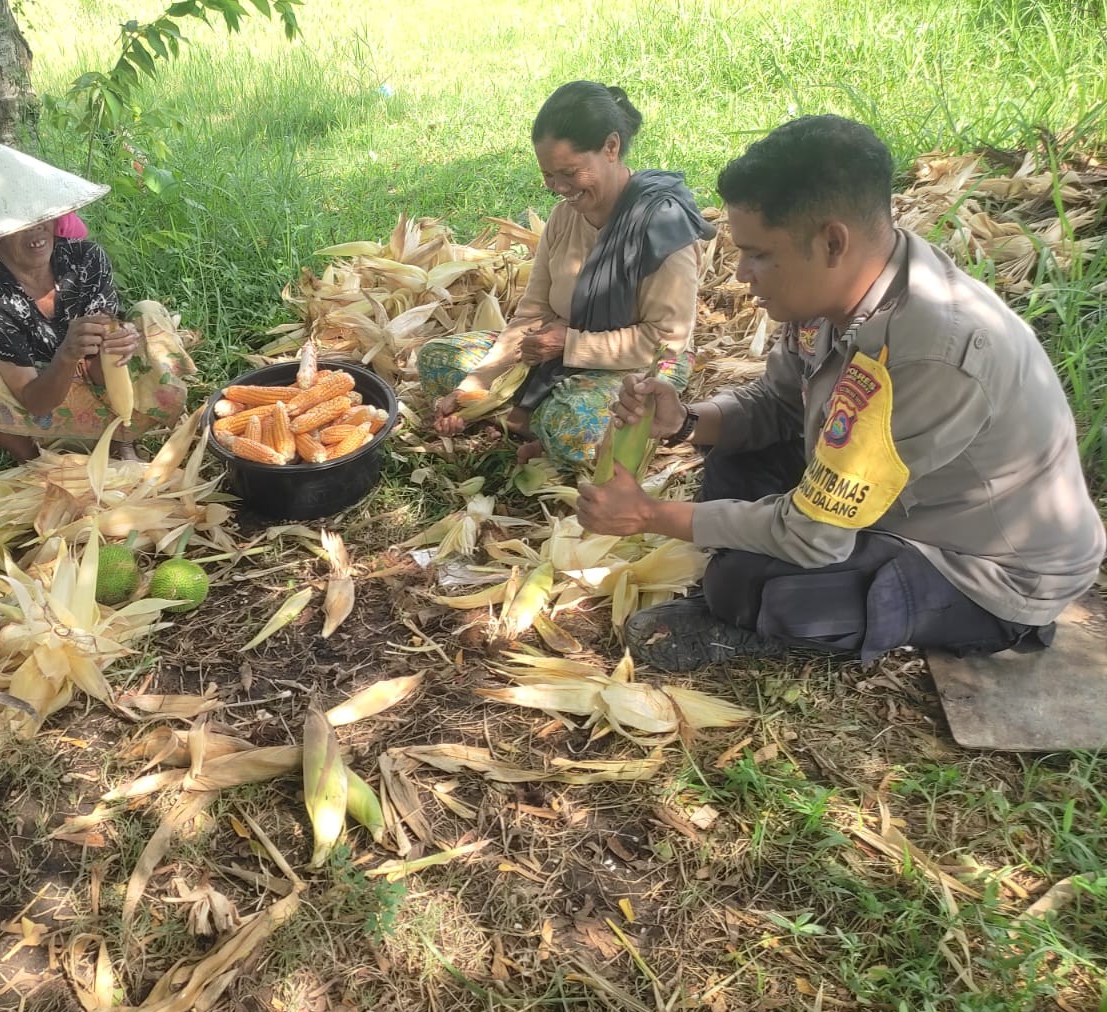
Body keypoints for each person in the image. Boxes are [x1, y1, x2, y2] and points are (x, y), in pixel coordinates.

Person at [578, 115, 1107, 671]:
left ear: (832, 241)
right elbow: (779, 405)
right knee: (733, 456)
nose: (741, 274)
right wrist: (685, 421)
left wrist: (648, 515)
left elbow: (813, 535)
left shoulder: (930, 351)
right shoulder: (838, 292)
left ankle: (772, 614)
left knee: (745, 585)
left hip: (982, 564)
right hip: (886, 494)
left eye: (758, 254)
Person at [421, 81, 714, 469]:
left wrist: (570, 344)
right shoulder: (564, 217)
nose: (559, 189)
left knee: (572, 422)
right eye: (548, 175)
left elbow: (665, 342)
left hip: (643, 363)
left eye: (570, 173)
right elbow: (531, 314)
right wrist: (477, 385)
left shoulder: (661, 226)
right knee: (438, 359)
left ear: (611, 148)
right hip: (559, 349)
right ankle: (529, 424)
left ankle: (526, 421)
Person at [0, 139, 197, 463]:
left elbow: (99, 374)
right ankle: (33, 462)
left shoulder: (85, 260)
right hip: (38, 408)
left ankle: (123, 437)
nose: (37, 232)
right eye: (20, 225)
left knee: (149, 313)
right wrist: (66, 354)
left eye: (43, 217)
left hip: (100, 393)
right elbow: (35, 401)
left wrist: (118, 347)